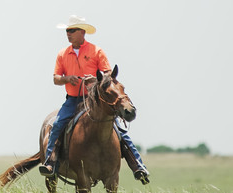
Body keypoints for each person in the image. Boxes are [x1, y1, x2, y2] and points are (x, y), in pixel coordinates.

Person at [39, 15, 150, 183]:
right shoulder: (63, 54)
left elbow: (108, 74)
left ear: (82, 32)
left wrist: (96, 80)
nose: (68, 34)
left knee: (119, 129)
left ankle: (138, 165)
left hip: (95, 100)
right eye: (67, 31)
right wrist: (67, 78)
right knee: (57, 125)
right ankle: (50, 163)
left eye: (72, 30)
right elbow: (56, 79)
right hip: (73, 99)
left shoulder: (96, 51)